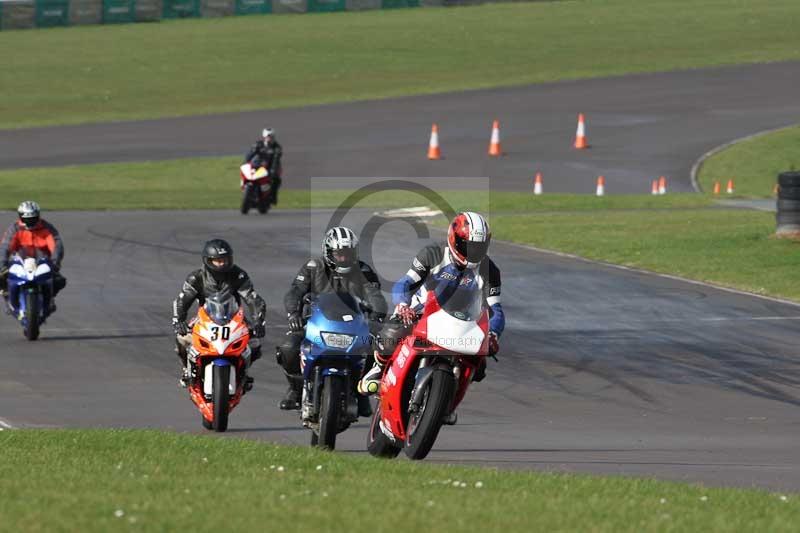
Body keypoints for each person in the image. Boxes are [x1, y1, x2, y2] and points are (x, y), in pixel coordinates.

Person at [359, 212, 505, 402]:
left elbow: (496, 310)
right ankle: (379, 369)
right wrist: (403, 305)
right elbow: (405, 283)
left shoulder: (490, 270)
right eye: (467, 245)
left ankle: (450, 398)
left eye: (478, 247)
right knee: (392, 334)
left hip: (462, 321)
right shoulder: (433, 254)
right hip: (419, 311)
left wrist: (493, 333)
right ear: (454, 239)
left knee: (479, 365)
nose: (472, 252)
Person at [277, 226, 387, 415]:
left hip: (353, 327)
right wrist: (293, 313)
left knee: (375, 347)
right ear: (328, 252)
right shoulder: (313, 267)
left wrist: (377, 315)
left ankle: (361, 392)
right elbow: (295, 291)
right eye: (339, 254)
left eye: (348, 253)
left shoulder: (364, 270)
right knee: (288, 347)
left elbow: (374, 295)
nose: (343, 258)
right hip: (315, 323)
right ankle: (296, 390)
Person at [172, 239, 267, 388]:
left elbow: (253, 299)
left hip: (234, 316)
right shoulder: (196, 277)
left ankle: (244, 372)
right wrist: (178, 320)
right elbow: (182, 300)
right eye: (218, 261)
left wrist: (258, 321)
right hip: (204, 317)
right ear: (208, 261)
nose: (222, 264)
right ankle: (186, 370)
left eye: (225, 260)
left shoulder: (238, 275)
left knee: (255, 343)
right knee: (181, 339)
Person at [0, 201, 66, 311]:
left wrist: (55, 263)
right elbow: (5, 247)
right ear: (21, 217)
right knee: (1, 278)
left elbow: (56, 246)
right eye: (27, 219)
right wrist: (2, 265)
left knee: (59, 281)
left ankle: (50, 299)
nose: (30, 222)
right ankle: (8, 297)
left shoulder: (47, 228)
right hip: (19, 262)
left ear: (38, 216)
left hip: (42, 263)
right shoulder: (14, 229)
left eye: (33, 218)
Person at [244, 128, 283, 205]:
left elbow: (276, 159)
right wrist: (246, 162)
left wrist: (273, 169)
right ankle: (248, 190)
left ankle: (273, 197)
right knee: (248, 174)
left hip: (272, 166)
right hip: (259, 165)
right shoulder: (258, 144)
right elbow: (250, 154)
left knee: (277, 180)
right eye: (268, 136)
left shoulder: (277, 147)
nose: (269, 138)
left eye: (271, 136)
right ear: (264, 137)